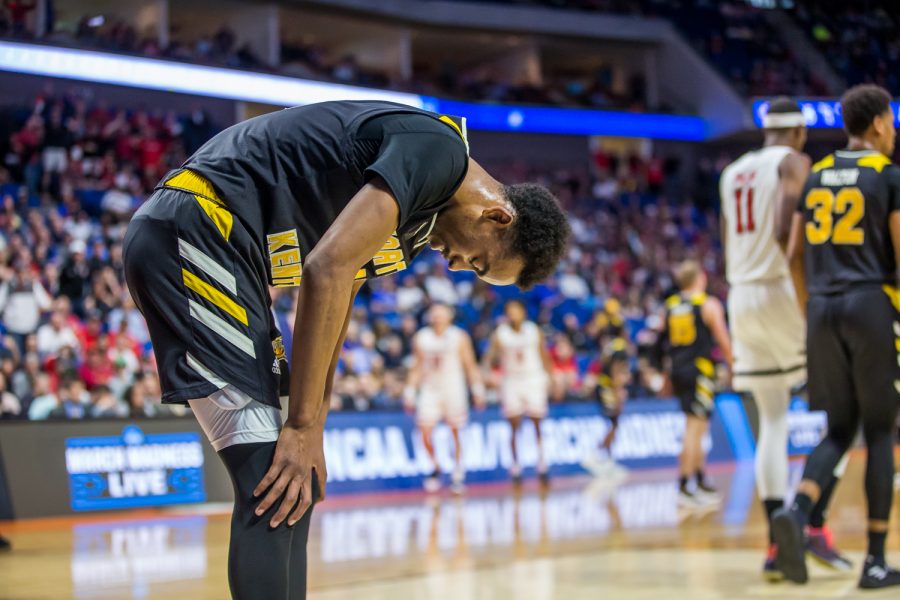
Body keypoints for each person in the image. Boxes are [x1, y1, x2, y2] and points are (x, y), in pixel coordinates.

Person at [122, 100, 569, 599]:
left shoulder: (419, 225)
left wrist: (315, 423)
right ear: (497, 216)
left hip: (228, 256)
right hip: (195, 232)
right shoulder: (439, 153)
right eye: (480, 261)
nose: (460, 266)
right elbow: (325, 269)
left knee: (296, 482)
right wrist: (299, 425)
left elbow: (344, 289)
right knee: (270, 481)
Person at [773, 84, 900, 589]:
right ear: (876, 125)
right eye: (891, 122)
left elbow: (793, 255)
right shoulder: (888, 176)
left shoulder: (818, 173)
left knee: (839, 429)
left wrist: (811, 310)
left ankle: (799, 512)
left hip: (822, 309)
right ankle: (874, 559)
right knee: (882, 431)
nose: (893, 132)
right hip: (872, 304)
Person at [719, 96, 848, 579]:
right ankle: (812, 522)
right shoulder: (795, 161)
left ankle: (777, 546)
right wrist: (806, 295)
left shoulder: (732, 171)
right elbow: (784, 228)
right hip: (781, 288)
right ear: (798, 133)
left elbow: (730, 237)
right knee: (846, 406)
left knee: (771, 421)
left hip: (741, 293)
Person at [663, 260, 732, 507]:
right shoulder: (707, 303)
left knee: (698, 427)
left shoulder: (670, 306)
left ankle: (700, 480)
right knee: (695, 429)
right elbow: (722, 338)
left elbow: (661, 342)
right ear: (700, 278)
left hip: (679, 370)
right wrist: (734, 364)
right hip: (700, 371)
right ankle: (684, 485)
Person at [404, 303, 485, 494]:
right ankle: (435, 467)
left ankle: (458, 472)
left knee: (456, 431)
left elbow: (470, 365)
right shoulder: (421, 337)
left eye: (441, 314)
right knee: (424, 431)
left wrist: (477, 389)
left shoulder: (459, 336)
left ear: (449, 317)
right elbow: (416, 366)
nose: (437, 317)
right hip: (430, 389)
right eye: (434, 314)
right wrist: (409, 391)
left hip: (453, 389)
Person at [482, 299, 553, 484]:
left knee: (537, 421)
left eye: (516, 310)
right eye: (510, 311)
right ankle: (515, 465)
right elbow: (490, 355)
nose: (513, 314)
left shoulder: (533, 330)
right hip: (512, 380)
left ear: (523, 312)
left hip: (533, 377)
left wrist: (550, 376)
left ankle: (542, 461)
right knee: (514, 424)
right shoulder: (501, 333)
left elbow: (544, 353)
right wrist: (487, 372)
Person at [582, 337, 630, 478]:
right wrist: (618, 399)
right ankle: (595, 455)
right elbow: (616, 381)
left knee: (613, 425)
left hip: (605, 388)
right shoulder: (617, 361)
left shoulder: (607, 358)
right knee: (614, 424)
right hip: (607, 390)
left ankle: (608, 459)